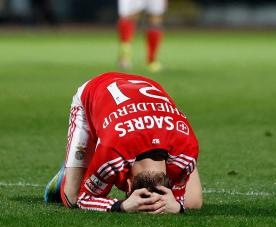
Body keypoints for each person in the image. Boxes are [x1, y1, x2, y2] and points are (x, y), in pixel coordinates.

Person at [43, 72, 202, 213]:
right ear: (128, 183)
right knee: (72, 198)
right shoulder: (114, 155)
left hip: (144, 91)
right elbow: (83, 199)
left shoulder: (187, 152)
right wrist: (121, 206)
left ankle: (82, 166)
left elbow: (178, 202)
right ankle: (69, 171)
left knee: (192, 203)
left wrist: (178, 207)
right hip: (97, 89)